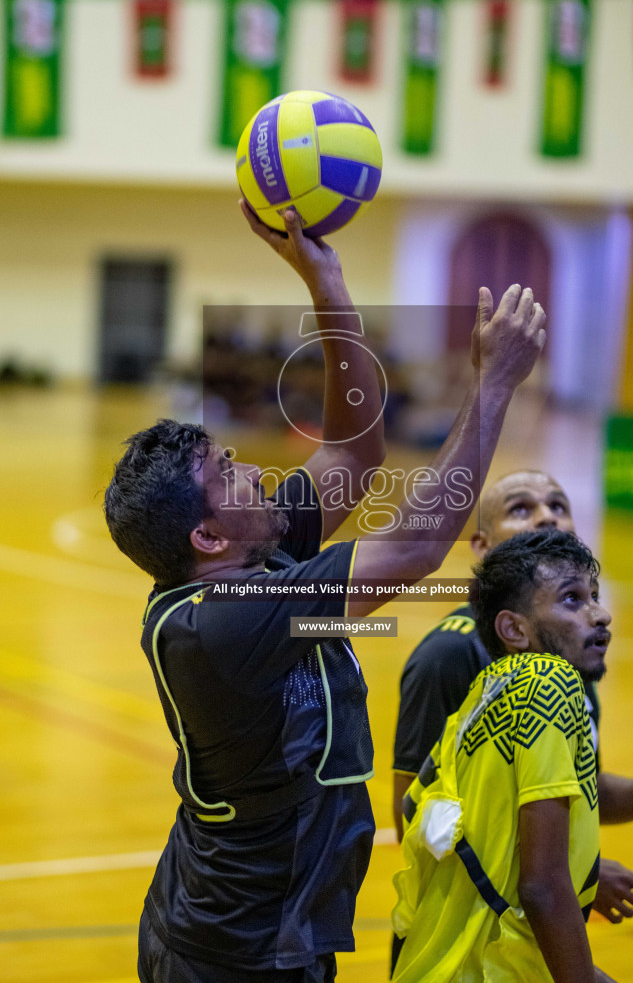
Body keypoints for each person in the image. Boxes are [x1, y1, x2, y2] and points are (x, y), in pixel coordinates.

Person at [104, 200, 546, 982]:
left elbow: (352, 451)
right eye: (228, 474)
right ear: (207, 538)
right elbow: (411, 544)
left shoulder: (255, 551)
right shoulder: (220, 624)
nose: (252, 468)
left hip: (275, 926)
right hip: (235, 952)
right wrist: (495, 385)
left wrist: (326, 283)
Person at [393, 468, 633, 923]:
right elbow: (413, 814)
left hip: (528, 932)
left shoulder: (569, 647)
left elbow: (586, 791)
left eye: (558, 506)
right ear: (482, 545)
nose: (546, 517)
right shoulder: (448, 655)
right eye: (522, 508)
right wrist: (569, 874)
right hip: (458, 932)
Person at [391, 530, 616, 983]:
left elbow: (415, 806)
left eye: (594, 596)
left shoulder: (482, 695)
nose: (601, 615)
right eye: (572, 600)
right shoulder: (549, 683)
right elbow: (541, 886)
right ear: (514, 629)